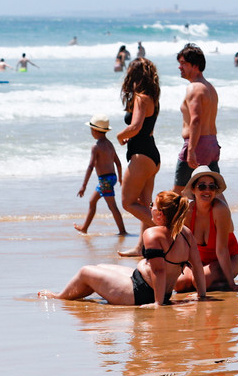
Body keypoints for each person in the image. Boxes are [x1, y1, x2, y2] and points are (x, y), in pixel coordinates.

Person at [39, 191, 209, 306]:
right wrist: (202, 295)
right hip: (151, 287)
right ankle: (75, 294)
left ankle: (59, 297)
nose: (150, 208)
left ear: (160, 214)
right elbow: (197, 266)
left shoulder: (152, 234)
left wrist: (158, 304)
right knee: (99, 267)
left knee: (85, 271)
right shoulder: (185, 232)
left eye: (152, 205)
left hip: (140, 294)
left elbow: (159, 271)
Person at [117, 58, 161, 256]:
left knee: (128, 202)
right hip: (151, 155)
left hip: (141, 156)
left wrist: (120, 136)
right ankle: (140, 247)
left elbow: (135, 127)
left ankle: (171, 230)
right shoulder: (152, 97)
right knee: (144, 204)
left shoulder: (140, 97)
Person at [175, 167, 238, 292]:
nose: (207, 190)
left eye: (212, 187)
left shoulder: (220, 210)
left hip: (226, 260)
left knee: (200, 281)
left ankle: (224, 286)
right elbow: (184, 248)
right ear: (194, 189)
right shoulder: (188, 212)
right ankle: (209, 284)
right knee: (179, 284)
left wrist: (231, 284)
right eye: (202, 186)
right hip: (199, 261)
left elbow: (222, 250)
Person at [173, 44, 221, 191]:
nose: (180, 67)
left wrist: (191, 150)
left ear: (195, 66)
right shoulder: (210, 88)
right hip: (212, 144)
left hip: (197, 145)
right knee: (211, 193)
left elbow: (196, 120)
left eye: (183, 64)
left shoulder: (194, 88)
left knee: (178, 194)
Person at [75, 114, 127, 235]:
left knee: (112, 206)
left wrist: (84, 185)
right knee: (92, 201)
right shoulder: (109, 144)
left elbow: (90, 166)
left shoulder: (96, 147)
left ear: (94, 131)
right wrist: (120, 178)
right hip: (111, 178)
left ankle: (123, 231)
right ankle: (84, 228)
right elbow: (118, 163)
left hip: (105, 180)